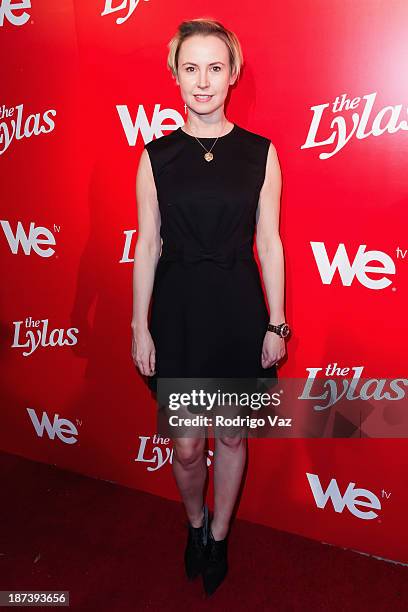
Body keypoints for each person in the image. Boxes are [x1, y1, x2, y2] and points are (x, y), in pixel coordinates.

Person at [131, 18, 289, 597]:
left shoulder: (261, 154)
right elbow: (146, 245)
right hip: (178, 313)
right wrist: (137, 327)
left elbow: (269, 243)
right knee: (187, 443)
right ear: (175, 76)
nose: (203, 81)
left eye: (214, 68)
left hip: (237, 310)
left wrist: (277, 322)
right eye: (190, 68)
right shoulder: (155, 157)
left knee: (230, 438)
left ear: (233, 75)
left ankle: (220, 536)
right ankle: (195, 524)